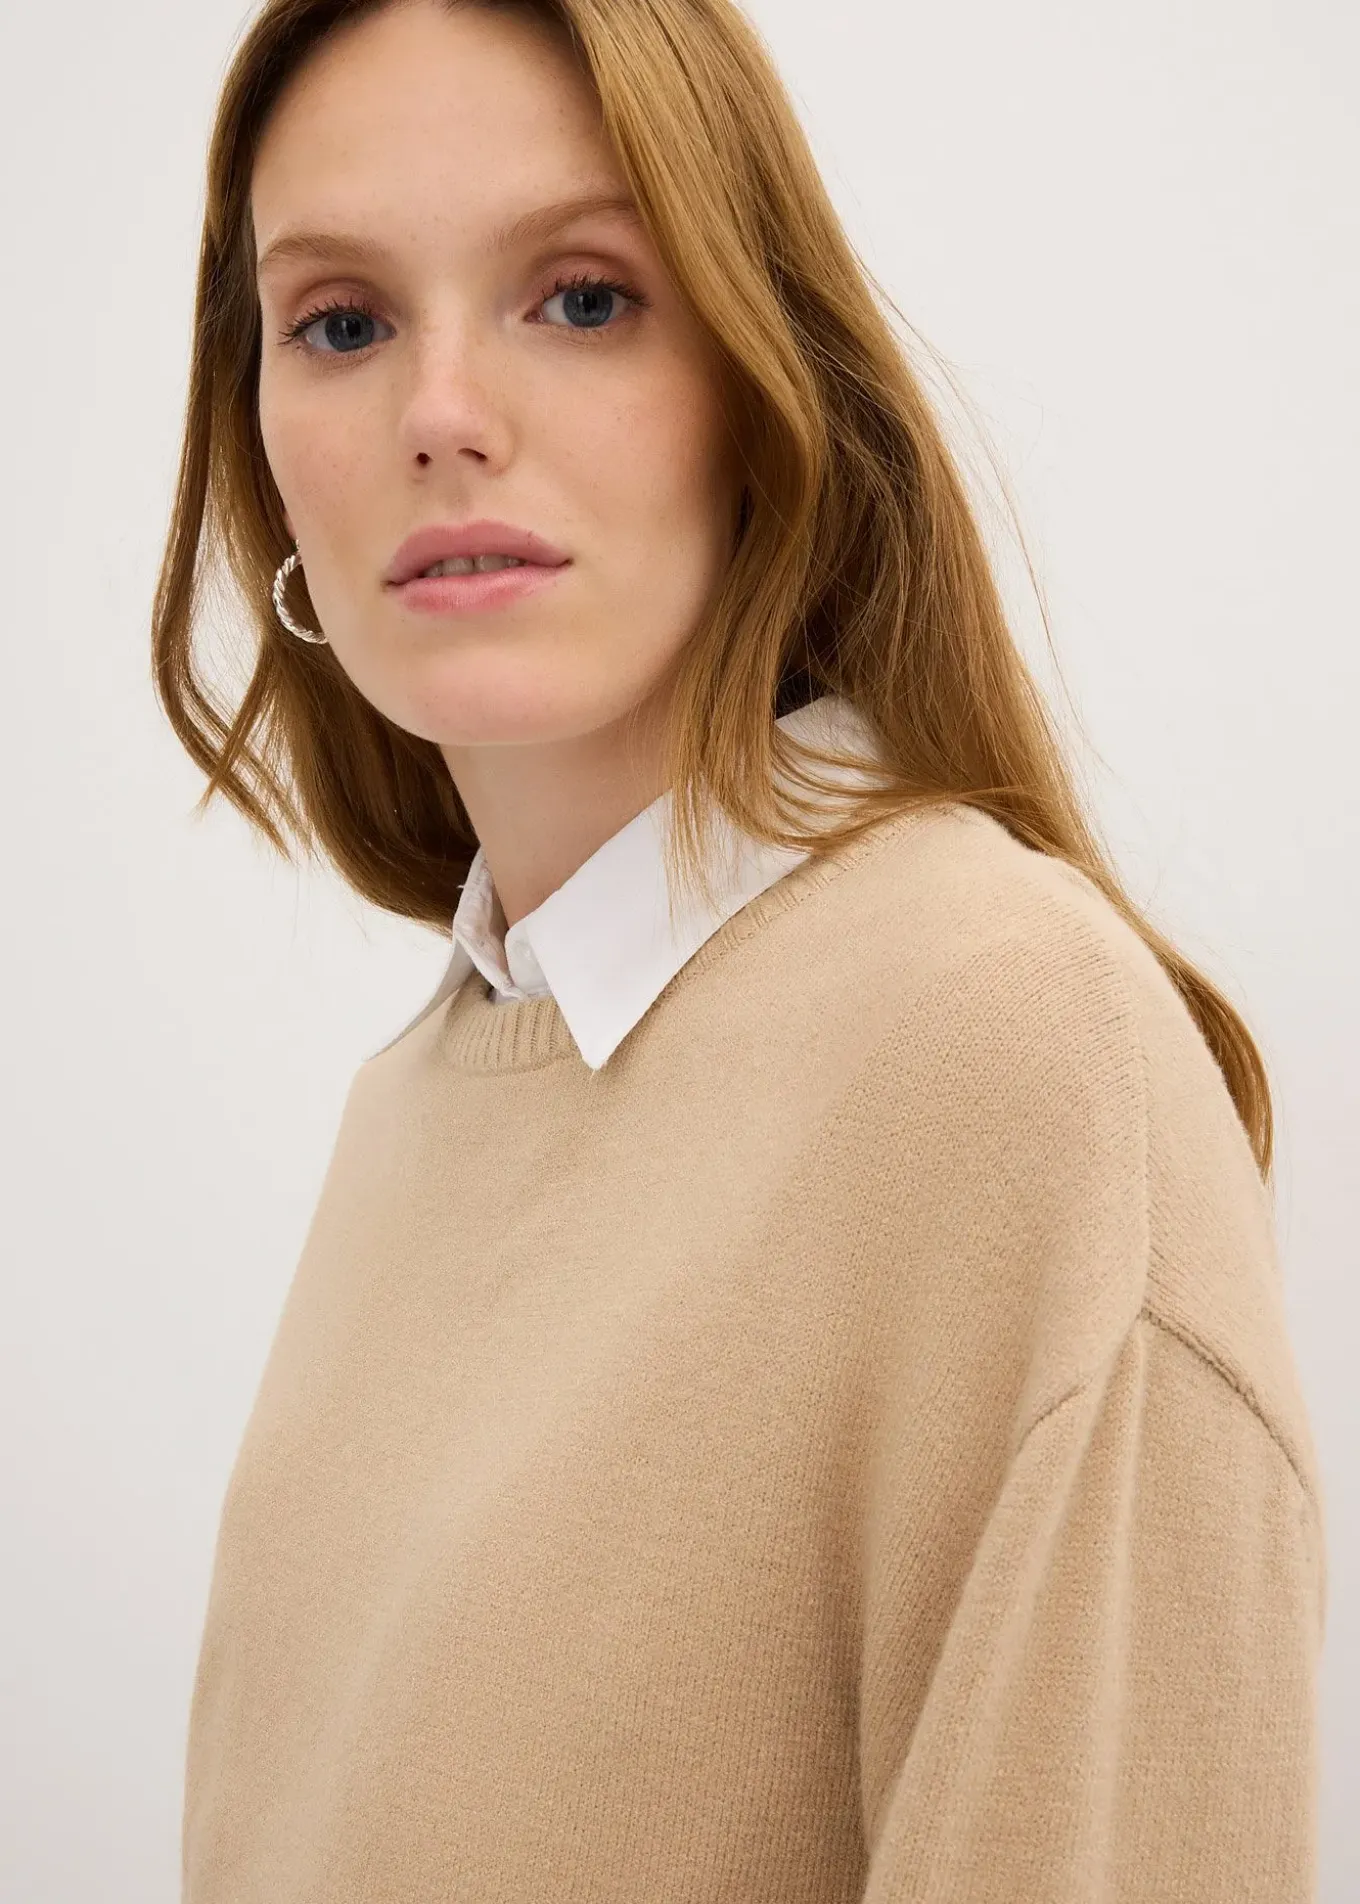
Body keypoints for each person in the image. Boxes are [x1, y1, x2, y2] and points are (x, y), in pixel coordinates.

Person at [154, 2, 1325, 1899]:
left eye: (583, 296)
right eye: (342, 323)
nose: (441, 409)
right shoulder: (420, 1102)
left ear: (761, 385)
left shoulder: (1016, 1052)